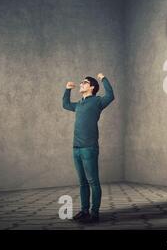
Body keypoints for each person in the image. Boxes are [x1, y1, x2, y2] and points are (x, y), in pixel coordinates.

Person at [62, 73, 115, 223]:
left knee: (93, 182)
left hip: (89, 148)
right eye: (81, 82)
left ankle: (94, 213)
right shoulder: (79, 104)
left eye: (84, 82)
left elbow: (111, 95)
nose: (81, 84)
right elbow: (65, 104)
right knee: (82, 182)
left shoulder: (97, 101)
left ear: (92, 87)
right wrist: (67, 89)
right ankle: (84, 211)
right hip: (76, 148)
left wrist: (104, 78)